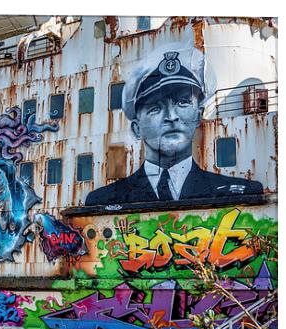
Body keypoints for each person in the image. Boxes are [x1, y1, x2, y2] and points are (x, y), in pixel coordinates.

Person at [85, 45, 263, 207]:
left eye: (183, 102)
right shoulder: (101, 201)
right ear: (136, 128)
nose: (171, 117)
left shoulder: (242, 193)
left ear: (198, 116)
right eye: (155, 108)